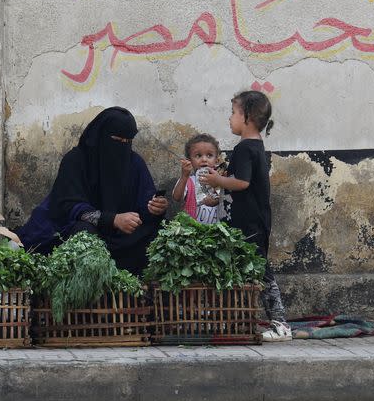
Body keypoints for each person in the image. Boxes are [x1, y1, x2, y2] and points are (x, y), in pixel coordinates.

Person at [15, 107, 169, 275]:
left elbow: (145, 201)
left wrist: (155, 207)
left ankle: (138, 288)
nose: (123, 146)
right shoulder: (76, 160)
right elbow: (69, 207)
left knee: (162, 231)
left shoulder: (133, 162)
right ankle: (91, 290)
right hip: (81, 228)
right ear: (101, 135)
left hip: (123, 235)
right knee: (84, 235)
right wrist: (112, 219)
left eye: (128, 141)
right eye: (118, 140)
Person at [198, 90, 292, 342]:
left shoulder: (245, 148)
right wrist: (222, 177)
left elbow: (242, 182)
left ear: (247, 117)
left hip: (249, 225)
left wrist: (218, 179)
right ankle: (230, 320)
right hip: (247, 223)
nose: (229, 118)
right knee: (243, 271)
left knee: (262, 272)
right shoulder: (253, 146)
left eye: (233, 113)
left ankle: (281, 324)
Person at [171, 134, 226, 224]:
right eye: (198, 156)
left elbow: (227, 198)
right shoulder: (188, 181)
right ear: (189, 160)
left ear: (217, 160)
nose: (204, 159)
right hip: (192, 232)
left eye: (209, 155)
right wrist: (184, 176)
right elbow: (176, 197)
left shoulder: (221, 180)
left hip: (217, 231)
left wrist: (217, 200)